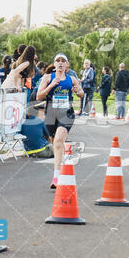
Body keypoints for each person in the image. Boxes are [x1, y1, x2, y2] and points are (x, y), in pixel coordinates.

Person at [37, 53, 84, 189]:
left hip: (66, 114)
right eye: (58, 60)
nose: (61, 63)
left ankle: (56, 177)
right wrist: (51, 85)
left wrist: (78, 91)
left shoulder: (72, 79)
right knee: (56, 145)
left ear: (67, 65)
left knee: (58, 141)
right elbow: (39, 96)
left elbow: (81, 93)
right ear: (55, 64)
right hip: (51, 114)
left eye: (63, 61)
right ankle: (61, 167)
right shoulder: (47, 77)